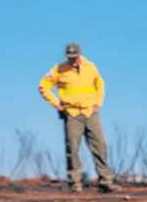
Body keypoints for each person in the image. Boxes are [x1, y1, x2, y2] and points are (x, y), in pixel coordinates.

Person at [38, 43, 121, 193]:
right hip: (72, 114)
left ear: (80, 55)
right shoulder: (58, 70)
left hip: (90, 112)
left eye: (75, 57)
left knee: (100, 146)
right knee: (73, 149)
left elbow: (99, 84)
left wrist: (98, 102)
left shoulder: (90, 67)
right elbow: (43, 86)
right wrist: (57, 104)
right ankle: (75, 184)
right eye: (70, 58)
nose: (73, 61)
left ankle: (105, 181)